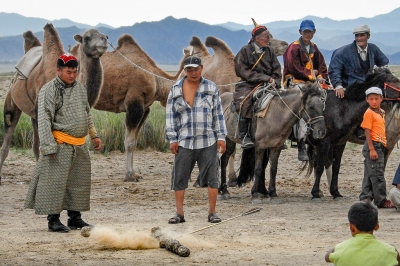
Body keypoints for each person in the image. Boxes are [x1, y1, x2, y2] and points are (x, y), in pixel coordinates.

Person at [24, 54, 102, 232]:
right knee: (55, 183)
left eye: (75, 71)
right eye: (68, 72)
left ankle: (75, 218)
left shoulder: (80, 89)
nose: (72, 75)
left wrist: (94, 135)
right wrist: (49, 146)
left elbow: (86, 113)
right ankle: (53, 220)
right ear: (58, 70)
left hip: (79, 145)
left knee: (77, 183)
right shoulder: (49, 90)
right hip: (59, 144)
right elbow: (44, 119)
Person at [165, 55, 227, 224]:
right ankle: (179, 213)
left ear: (202, 69)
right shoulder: (176, 89)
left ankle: (212, 212)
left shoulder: (211, 87)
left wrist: (221, 136)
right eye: (189, 70)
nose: (193, 73)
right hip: (184, 140)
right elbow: (171, 116)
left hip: (208, 139)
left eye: (196, 69)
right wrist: (172, 138)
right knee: (180, 177)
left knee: (213, 178)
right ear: (185, 71)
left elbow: (218, 114)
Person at [283, 19, 328, 161]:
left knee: (325, 98)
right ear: (300, 32)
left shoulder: (314, 47)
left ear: (314, 32)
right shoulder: (294, 47)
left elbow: (321, 65)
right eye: (305, 31)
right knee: (301, 106)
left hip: (311, 83)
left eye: (310, 31)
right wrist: (311, 75)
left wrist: (321, 77)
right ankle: (300, 143)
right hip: (295, 82)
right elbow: (293, 67)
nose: (308, 34)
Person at [233, 19, 282, 149]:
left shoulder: (270, 51)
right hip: (248, 84)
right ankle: (244, 135)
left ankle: (276, 135)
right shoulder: (245, 50)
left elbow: (277, 69)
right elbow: (241, 70)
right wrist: (264, 78)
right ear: (258, 39)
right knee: (244, 102)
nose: (269, 40)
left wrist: (276, 81)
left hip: (269, 84)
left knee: (282, 101)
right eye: (267, 37)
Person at [325, 201, 400, 265]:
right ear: (377, 226)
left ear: (351, 227)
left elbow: (327, 257)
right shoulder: (390, 250)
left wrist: (338, 247)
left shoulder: (340, 249)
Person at [329, 25, 389, 99]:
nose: (359, 38)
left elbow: (384, 63)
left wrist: (378, 72)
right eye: (357, 36)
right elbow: (335, 70)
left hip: (368, 88)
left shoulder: (373, 49)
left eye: (362, 35)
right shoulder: (342, 53)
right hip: (349, 89)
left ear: (368, 36)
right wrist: (338, 85)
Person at [359, 87, 394, 208]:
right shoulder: (369, 113)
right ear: (367, 100)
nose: (374, 101)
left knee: (370, 172)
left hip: (379, 144)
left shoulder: (381, 112)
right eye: (371, 99)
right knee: (378, 174)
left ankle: (366, 197)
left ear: (381, 99)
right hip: (373, 144)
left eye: (376, 99)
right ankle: (381, 200)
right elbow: (367, 131)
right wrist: (372, 149)